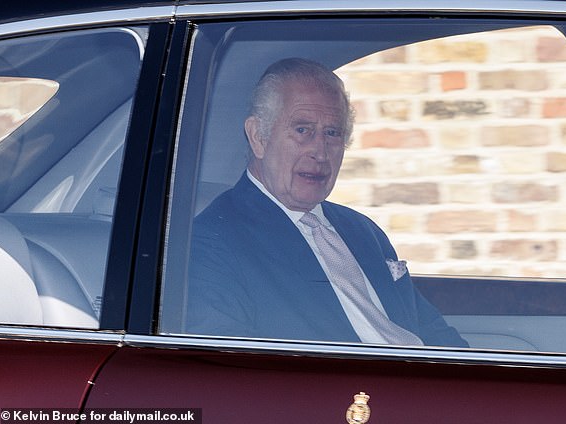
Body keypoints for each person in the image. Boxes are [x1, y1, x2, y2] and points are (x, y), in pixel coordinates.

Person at [187, 58, 467, 347]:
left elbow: (432, 331)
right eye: (302, 130)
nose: (320, 152)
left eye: (332, 133)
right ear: (258, 136)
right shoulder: (214, 242)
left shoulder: (362, 229)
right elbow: (228, 369)